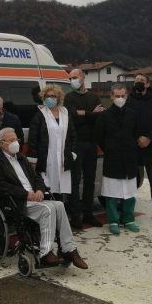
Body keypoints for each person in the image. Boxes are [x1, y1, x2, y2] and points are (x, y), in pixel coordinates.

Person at [0, 128, 88, 269]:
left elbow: (36, 177)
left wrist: (40, 190)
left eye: (16, 139)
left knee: (59, 205)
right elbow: (0, 185)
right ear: (2, 144)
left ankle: (69, 249)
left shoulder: (21, 157)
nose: (16, 143)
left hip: (33, 198)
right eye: (11, 140)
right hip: (16, 201)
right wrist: (26, 194)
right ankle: (45, 252)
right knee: (48, 209)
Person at [27, 84, 77, 222]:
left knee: (60, 190)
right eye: (47, 96)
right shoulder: (39, 115)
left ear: (59, 98)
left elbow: (73, 134)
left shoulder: (65, 113)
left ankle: (60, 220)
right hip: (46, 159)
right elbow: (33, 139)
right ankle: (49, 220)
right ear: (43, 98)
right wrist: (34, 159)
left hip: (62, 158)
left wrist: (72, 152)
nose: (50, 98)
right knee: (47, 189)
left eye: (53, 96)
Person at [94, 83, 139, 235]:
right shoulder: (104, 115)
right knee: (112, 193)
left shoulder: (133, 114)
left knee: (130, 193)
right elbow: (99, 136)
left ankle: (129, 219)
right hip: (113, 159)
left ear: (126, 96)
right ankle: (113, 221)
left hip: (129, 158)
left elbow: (136, 133)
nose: (120, 98)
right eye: (117, 96)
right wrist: (110, 148)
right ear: (111, 96)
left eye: (122, 96)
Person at [126, 73, 152, 226]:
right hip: (134, 148)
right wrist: (137, 138)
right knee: (130, 183)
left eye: (142, 80)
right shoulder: (128, 101)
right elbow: (125, 123)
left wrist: (149, 138)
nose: (138, 82)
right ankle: (127, 213)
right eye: (136, 80)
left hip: (151, 148)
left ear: (148, 84)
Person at [64, 69, 104, 228]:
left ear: (83, 77)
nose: (72, 80)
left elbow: (100, 117)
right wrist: (91, 114)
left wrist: (84, 114)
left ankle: (88, 214)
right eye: (70, 78)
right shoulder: (69, 97)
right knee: (75, 180)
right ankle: (76, 216)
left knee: (90, 179)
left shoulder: (94, 97)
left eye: (75, 77)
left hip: (91, 143)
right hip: (76, 144)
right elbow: (72, 118)